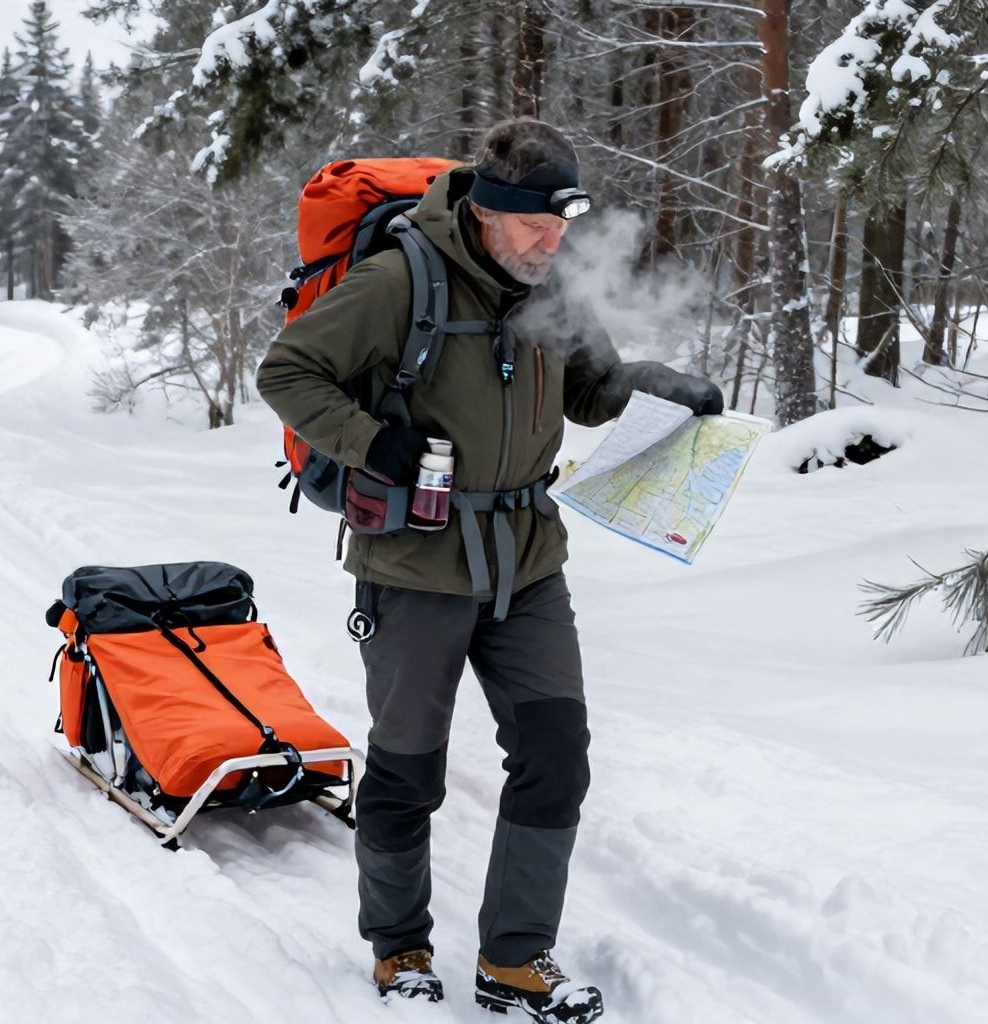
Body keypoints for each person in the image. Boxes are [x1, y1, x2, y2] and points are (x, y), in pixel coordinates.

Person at [256, 118, 721, 1023]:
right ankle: (399, 949)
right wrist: (371, 443)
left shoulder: (549, 284)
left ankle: (514, 961)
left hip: (529, 562)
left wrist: (660, 383)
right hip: (415, 563)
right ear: (488, 214)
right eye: (536, 228)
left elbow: (588, 392)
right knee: (408, 773)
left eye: (564, 229)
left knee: (556, 758)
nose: (554, 246)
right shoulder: (399, 282)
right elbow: (289, 371)